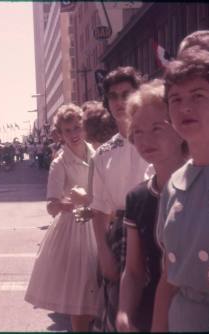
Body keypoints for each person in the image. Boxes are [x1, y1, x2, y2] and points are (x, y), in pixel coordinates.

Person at [115, 80, 188, 332]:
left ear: (181, 130)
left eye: (157, 128)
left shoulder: (203, 189)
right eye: (137, 131)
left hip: (195, 314)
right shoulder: (137, 198)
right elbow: (134, 271)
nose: (145, 140)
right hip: (149, 316)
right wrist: (124, 312)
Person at [152, 46, 209, 332]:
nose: (184, 107)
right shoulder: (175, 183)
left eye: (198, 96)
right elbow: (168, 276)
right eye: (175, 99)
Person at [25, 104, 100, 331]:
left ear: (84, 127)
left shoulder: (97, 153)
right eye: (67, 131)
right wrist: (73, 202)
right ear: (60, 134)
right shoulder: (59, 163)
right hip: (75, 231)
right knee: (80, 299)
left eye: (77, 127)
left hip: (100, 222)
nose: (73, 134)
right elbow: (52, 206)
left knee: (100, 292)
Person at [89, 66, 150, 332]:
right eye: (113, 95)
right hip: (120, 239)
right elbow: (99, 211)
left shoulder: (159, 138)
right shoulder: (102, 154)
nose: (119, 101)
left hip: (157, 229)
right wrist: (103, 255)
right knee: (120, 319)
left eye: (126, 93)